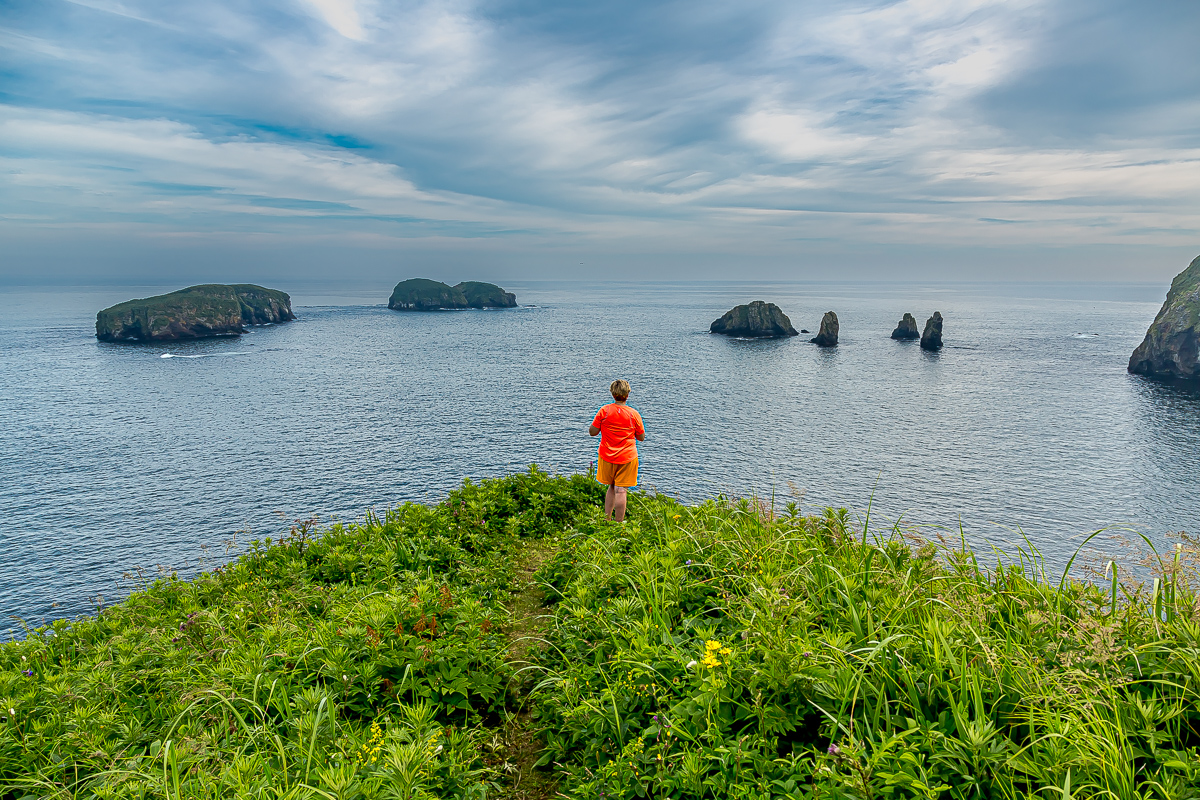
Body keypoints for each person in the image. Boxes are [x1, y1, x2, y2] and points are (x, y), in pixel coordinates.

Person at [588, 379, 645, 522]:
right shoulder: (633, 414)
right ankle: (619, 524)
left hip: (607, 455)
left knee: (611, 487)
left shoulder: (604, 411)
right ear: (627, 394)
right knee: (621, 490)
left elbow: (592, 432)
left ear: (613, 393)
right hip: (627, 457)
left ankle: (606, 519)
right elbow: (641, 437)